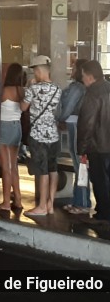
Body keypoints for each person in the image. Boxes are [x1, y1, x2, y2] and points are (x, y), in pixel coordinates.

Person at [20, 55, 61, 217]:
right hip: (53, 135)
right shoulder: (58, 89)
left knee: (42, 171)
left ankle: (42, 206)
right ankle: (50, 203)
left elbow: (23, 108)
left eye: (34, 71)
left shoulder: (34, 89)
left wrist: (29, 87)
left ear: (38, 70)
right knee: (53, 168)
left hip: (38, 135)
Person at [77, 60, 110, 224]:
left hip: (98, 145)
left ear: (90, 77)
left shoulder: (92, 94)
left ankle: (104, 213)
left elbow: (87, 123)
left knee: (100, 181)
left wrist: (81, 148)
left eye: (83, 75)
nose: (82, 79)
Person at [58, 59, 90, 215]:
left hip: (75, 125)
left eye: (74, 67)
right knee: (79, 165)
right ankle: (78, 200)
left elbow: (68, 107)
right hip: (75, 124)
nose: (71, 69)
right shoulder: (83, 87)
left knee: (80, 165)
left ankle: (83, 202)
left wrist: (60, 118)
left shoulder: (77, 88)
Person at [0, 63, 25, 212]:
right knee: (14, 167)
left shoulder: (4, 91)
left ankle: (6, 202)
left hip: (5, 128)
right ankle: (17, 199)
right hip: (17, 128)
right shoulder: (21, 91)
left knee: (6, 168)